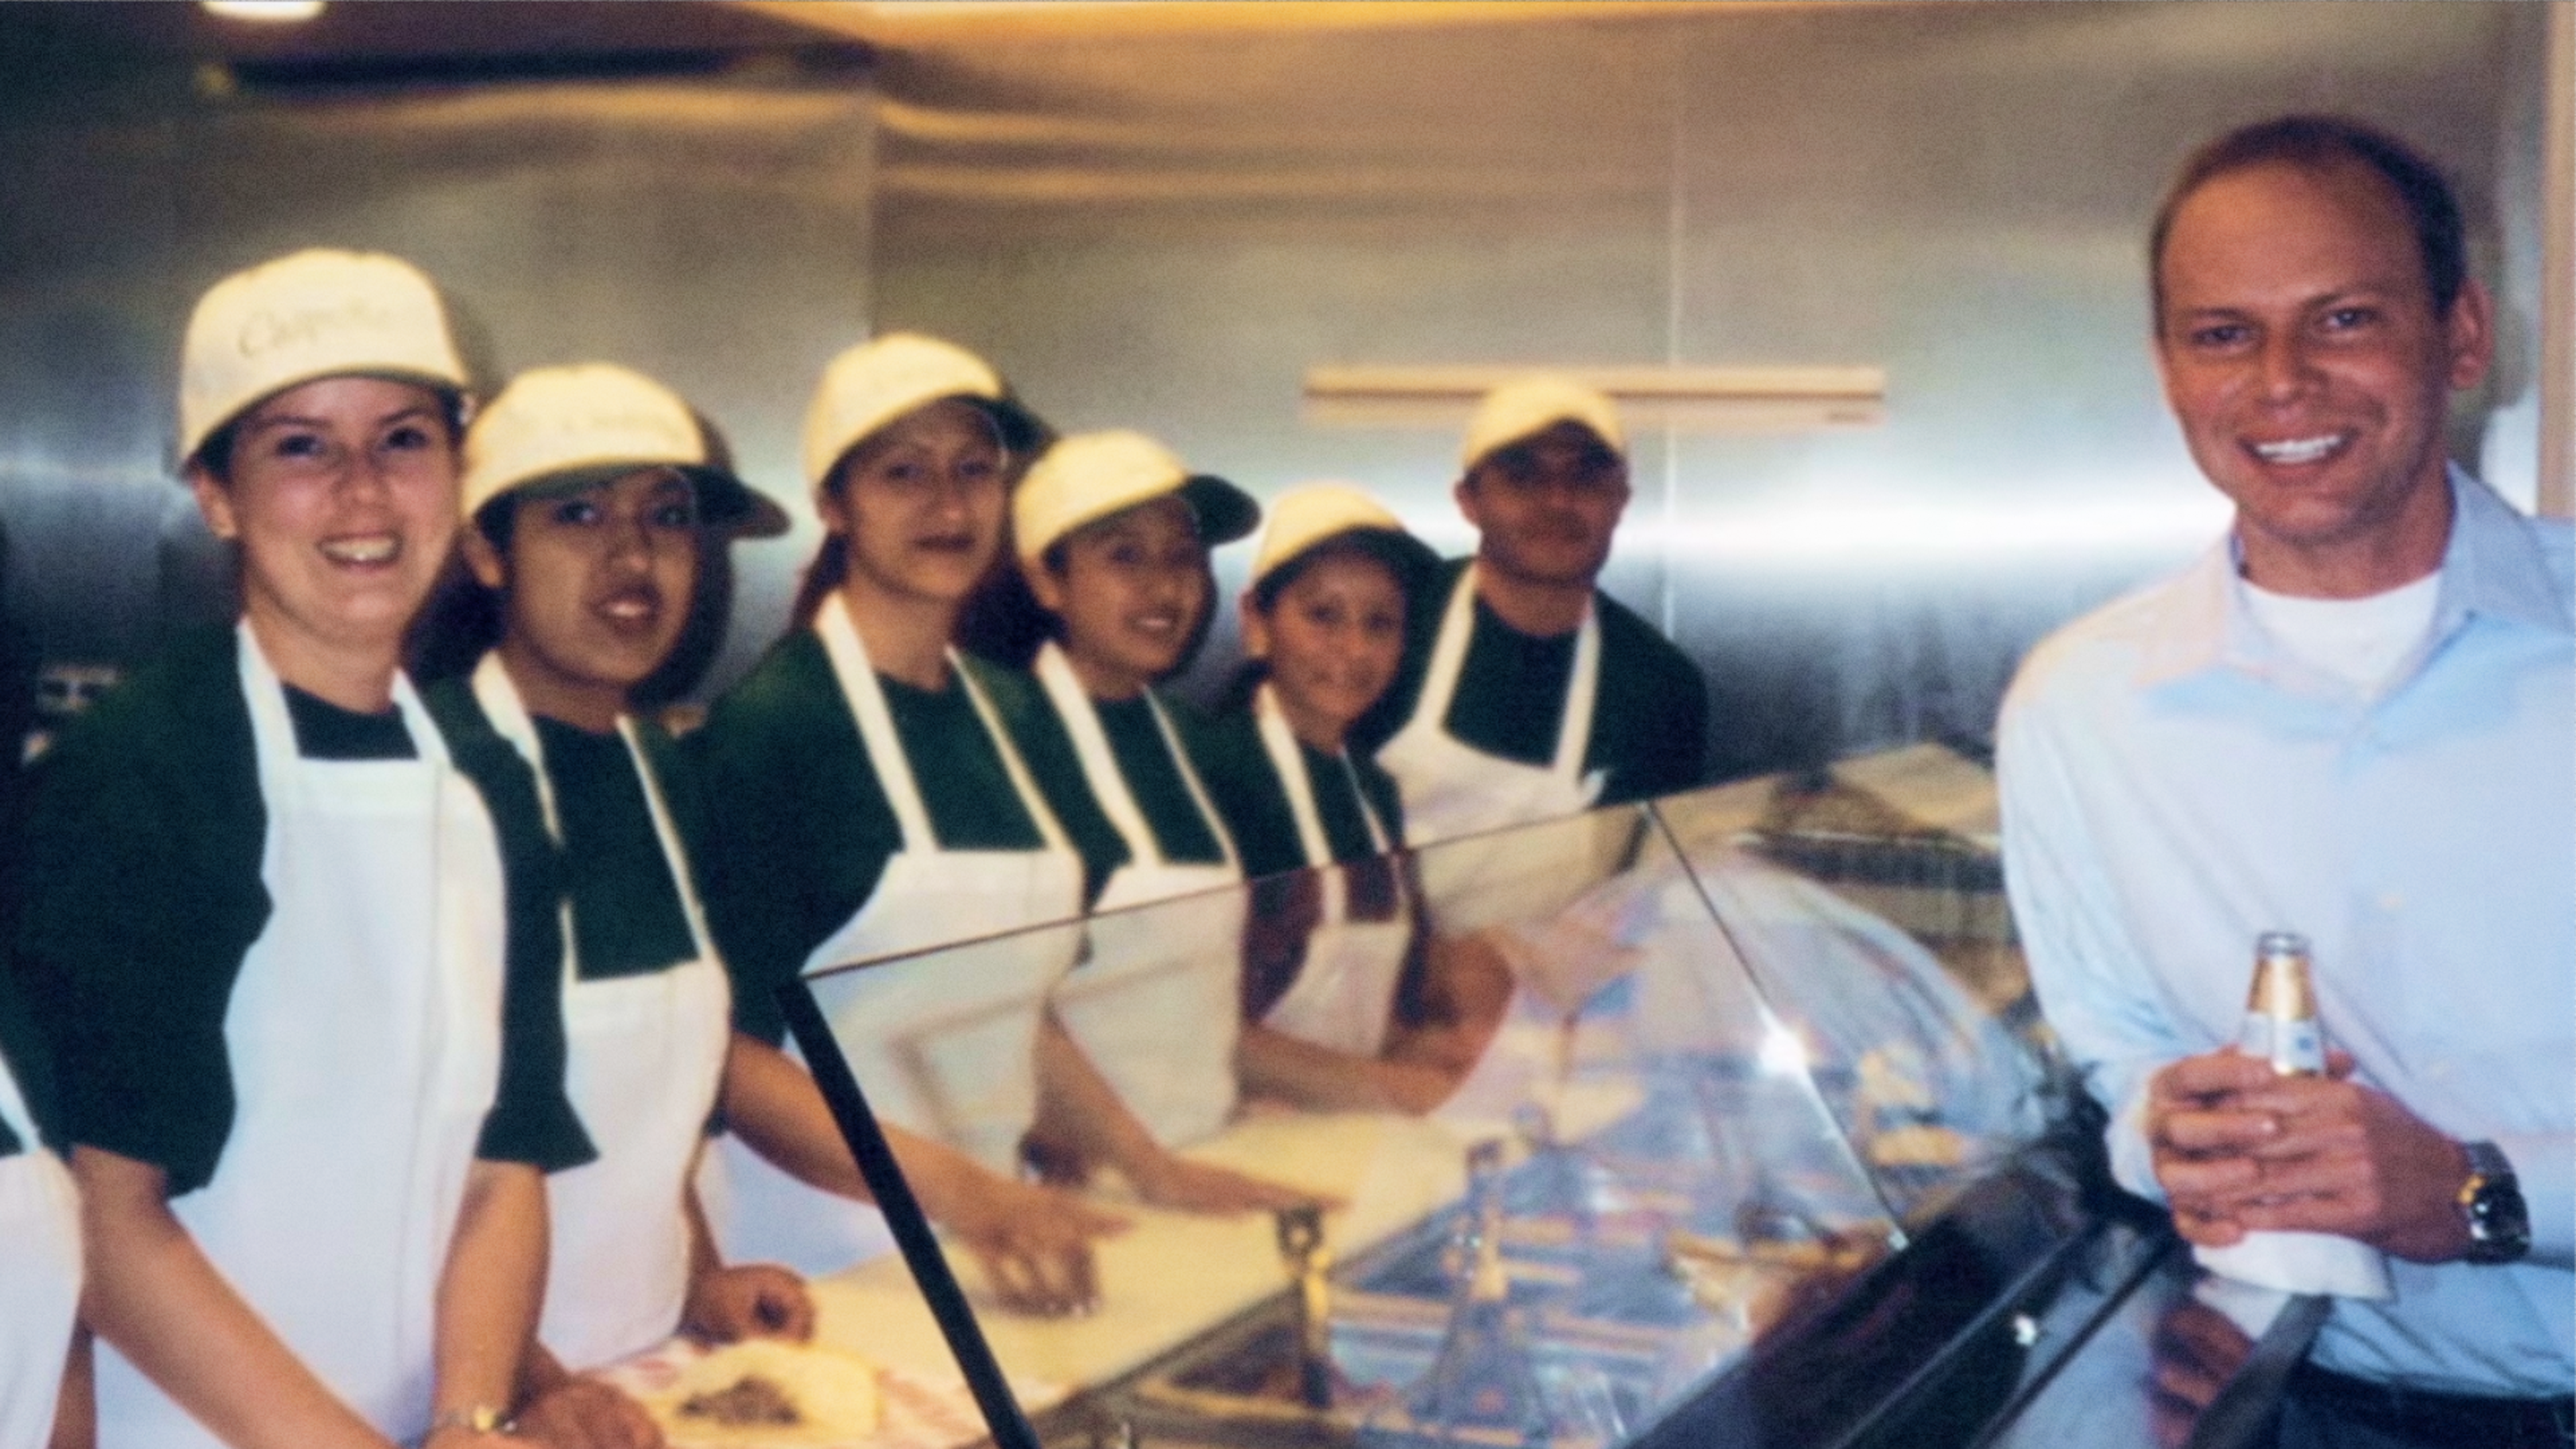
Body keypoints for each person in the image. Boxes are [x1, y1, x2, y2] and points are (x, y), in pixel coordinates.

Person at [1998, 116, 2574, 1446]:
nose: (2282, 383)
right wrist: (2168, 1133)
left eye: (2345, 318)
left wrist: (2487, 1194)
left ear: (2464, 337)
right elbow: (2121, 1060)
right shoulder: (2083, 708)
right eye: (2222, 334)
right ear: (2168, 370)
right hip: (2303, 1407)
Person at [13, 248, 594, 1449]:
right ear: (216, 494)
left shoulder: (488, 777)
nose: (364, 495)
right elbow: (110, 1220)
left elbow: (502, 1163)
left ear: (457, 468)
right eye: (300, 448)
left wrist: (472, 1416)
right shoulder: (146, 771)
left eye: (403, 439)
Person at [691, 333, 1283, 1313]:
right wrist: (971, 1196)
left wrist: (1147, 1167)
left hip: (994, 1242)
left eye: (975, 470)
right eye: (903, 473)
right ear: (836, 507)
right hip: (813, 1256)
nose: (949, 504)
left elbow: (1009, 1008)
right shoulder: (777, 722)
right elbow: (729, 1058)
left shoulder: (1009, 718)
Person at [420, 362, 812, 1448]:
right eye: (580, 516)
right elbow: (403, 1166)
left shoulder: (659, 768)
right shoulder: (434, 776)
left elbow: (650, 1092)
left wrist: (699, 1279)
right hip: (463, 1396)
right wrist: (529, 1383)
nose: (632, 558)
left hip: (641, 1375)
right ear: (486, 550)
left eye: (667, 519)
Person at [1192, 485, 1487, 1112]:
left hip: (1336, 1132)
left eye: (1379, 623)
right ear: (1256, 623)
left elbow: (1380, 1008)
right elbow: (1187, 1021)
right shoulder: (1212, 774)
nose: (1353, 650)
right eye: (1324, 615)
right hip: (1218, 1134)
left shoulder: (1373, 789)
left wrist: (1461, 1057)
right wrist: (1389, 1087)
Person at [1367, 377, 1709, 849]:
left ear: (1621, 502)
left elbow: (1647, 885)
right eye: (1522, 477)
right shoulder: (1388, 622)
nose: (1557, 502)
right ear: (1469, 501)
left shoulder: (1660, 686)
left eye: (1586, 478)